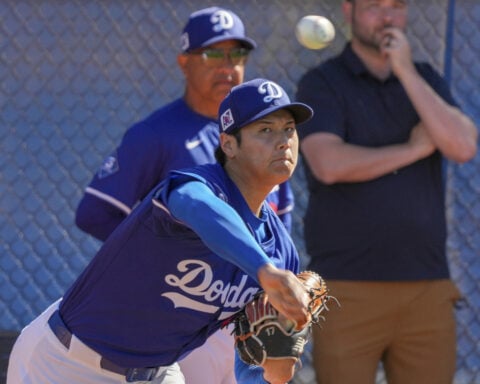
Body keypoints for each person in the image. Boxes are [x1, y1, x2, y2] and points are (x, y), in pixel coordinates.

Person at [7, 78, 314, 384]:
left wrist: (273, 373)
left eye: (289, 129)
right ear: (229, 144)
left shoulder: (281, 254)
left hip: (159, 373)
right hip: (67, 364)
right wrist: (263, 270)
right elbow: (193, 205)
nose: (283, 140)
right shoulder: (195, 187)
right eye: (265, 130)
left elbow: (251, 366)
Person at [74, 7, 294, 384]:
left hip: (247, 317)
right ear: (184, 62)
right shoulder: (156, 134)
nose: (227, 66)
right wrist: (159, 266)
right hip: (187, 309)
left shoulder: (267, 142)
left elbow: (279, 221)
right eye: (212, 53)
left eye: (237, 54)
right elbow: (95, 213)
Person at [295, 1, 478, 384]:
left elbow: (462, 146)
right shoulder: (323, 81)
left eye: (396, 6)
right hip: (348, 286)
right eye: (374, 7)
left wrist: (406, 71)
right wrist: (412, 149)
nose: (387, 16)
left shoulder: (424, 77)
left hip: (426, 287)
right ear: (348, 12)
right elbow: (328, 164)